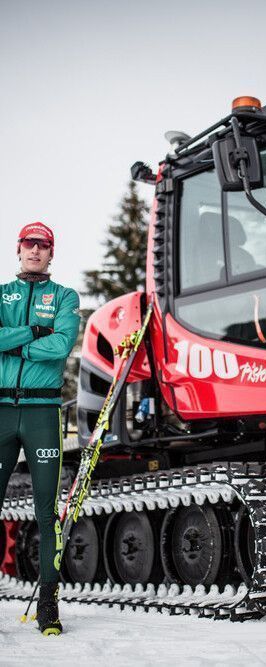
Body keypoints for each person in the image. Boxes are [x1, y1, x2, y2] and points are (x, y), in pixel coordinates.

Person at [0, 222, 80, 635]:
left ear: (51, 252)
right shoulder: (1, 295)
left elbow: (62, 346)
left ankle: (48, 604)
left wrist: (10, 342)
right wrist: (33, 332)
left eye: (43, 244)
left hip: (42, 413)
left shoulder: (64, 296)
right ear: (18, 249)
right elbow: (44, 341)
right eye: (29, 243)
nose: (35, 249)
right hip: (0, 410)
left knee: (47, 513)